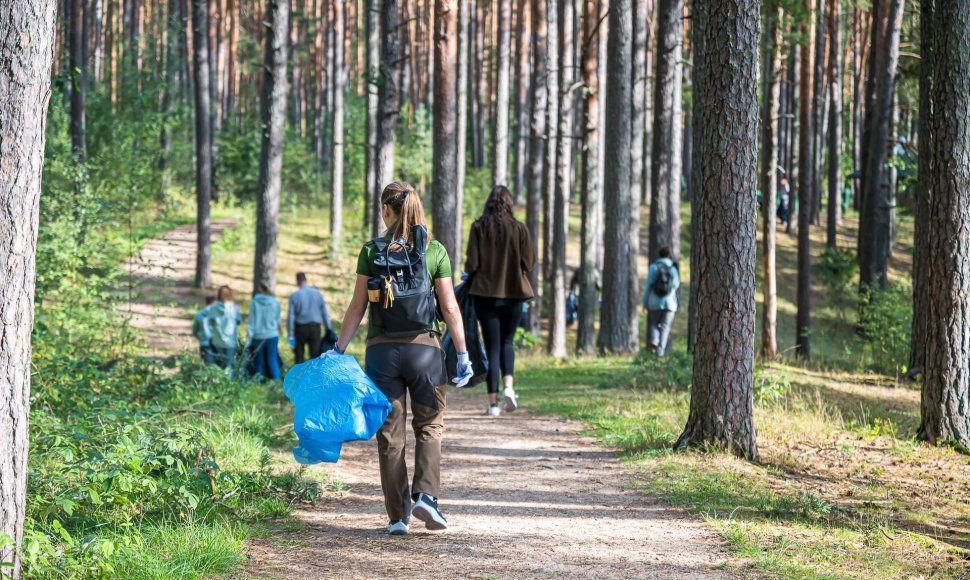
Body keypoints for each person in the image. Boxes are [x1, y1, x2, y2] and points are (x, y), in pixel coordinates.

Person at [334, 181, 473, 537]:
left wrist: (338, 350)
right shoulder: (435, 250)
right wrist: (462, 352)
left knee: (390, 436)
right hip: (426, 352)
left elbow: (357, 306)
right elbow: (450, 307)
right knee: (429, 426)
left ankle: (398, 517)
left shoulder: (372, 250)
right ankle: (427, 494)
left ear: (386, 209)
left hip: (382, 353)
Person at [464, 185, 535, 417]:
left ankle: (493, 404)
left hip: (485, 295)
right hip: (514, 294)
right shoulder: (520, 229)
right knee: (507, 342)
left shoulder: (478, 228)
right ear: (509, 203)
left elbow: (472, 264)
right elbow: (529, 263)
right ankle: (509, 388)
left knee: (492, 346)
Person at [287, 272, 334, 363]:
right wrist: (328, 328)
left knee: (299, 355)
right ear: (305, 280)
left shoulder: (294, 296)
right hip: (315, 328)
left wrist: (291, 335)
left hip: (300, 329)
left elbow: (291, 316)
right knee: (315, 355)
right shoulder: (317, 294)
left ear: (297, 281)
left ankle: (300, 375)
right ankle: (313, 375)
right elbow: (324, 312)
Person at [643, 247, 681, 357]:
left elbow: (648, 286)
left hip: (655, 303)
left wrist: (645, 302)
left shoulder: (653, 267)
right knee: (665, 327)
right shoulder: (673, 268)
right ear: (669, 255)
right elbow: (676, 285)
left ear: (659, 255)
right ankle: (661, 351)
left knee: (654, 323)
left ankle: (654, 340)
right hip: (670, 304)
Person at [247, 283, 282, 380]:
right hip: (272, 335)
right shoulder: (276, 302)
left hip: (258, 336)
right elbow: (278, 320)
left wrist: (249, 339)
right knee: (272, 360)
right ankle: (276, 382)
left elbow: (251, 322)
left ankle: (258, 383)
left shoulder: (254, 302)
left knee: (259, 361)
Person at [207, 286, 242, 370]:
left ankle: (218, 380)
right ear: (230, 295)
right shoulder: (234, 308)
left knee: (218, 366)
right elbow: (239, 321)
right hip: (230, 342)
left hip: (217, 341)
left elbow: (210, 323)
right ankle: (228, 381)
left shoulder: (214, 307)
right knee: (228, 366)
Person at [192, 295, 216, 363]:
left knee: (206, 366)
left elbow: (195, 331)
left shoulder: (199, 315)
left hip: (204, 344)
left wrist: (201, 338)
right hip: (217, 345)